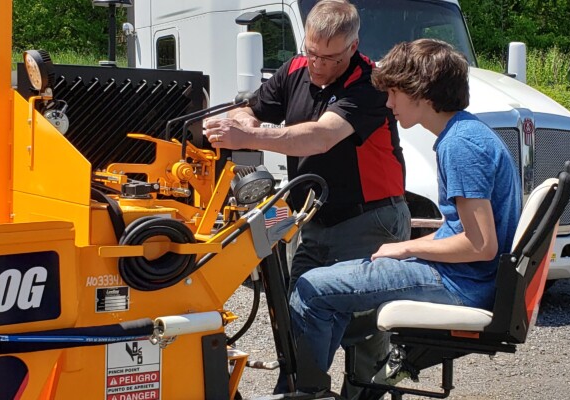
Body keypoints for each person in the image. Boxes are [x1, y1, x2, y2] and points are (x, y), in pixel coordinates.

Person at [288, 38, 522, 387]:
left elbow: (481, 245)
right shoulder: (466, 132)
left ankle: (305, 391)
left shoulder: (460, 145)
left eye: (394, 93)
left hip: (460, 284)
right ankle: (322, 386)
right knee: (333, 285)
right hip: (464, 277)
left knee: (311, 288)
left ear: (421, 92)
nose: (388, 102)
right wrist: (406, 249)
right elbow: (465, 232)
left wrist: (406, 247)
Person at [205, 1, 410, 398]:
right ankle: (302, 389)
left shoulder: (370, 84)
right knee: (300, 308)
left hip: (369, 222)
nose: (317, 64)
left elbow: (320, 136)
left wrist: (249, 135)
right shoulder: (296, 70)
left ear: (353, 47)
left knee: (365, 329)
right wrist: (245, 121)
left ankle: (361, 392)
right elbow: (249, 108)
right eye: (312, 52)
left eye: (329, 58)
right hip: (313, 219)